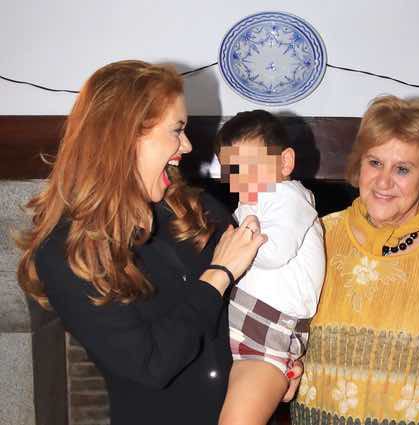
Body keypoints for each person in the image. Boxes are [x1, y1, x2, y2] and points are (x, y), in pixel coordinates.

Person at [14, 60, 281, 425]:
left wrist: (281, 361)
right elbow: (151, 364)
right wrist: (219, 274)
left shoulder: (196, 208)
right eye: (177, 130)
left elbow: (262, 300)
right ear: (125, 137)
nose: (186, 146)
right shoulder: (67, 253)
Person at [290, 95, 419, 425]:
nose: (384, 181)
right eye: (374, 163)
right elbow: (279, 332)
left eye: (402, 169)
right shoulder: (318, 237)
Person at [207, 110, 325, 425]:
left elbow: (274, 252)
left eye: (250, 167)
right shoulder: (252, 204)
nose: (240, 178)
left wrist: (228, 251)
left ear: (284, 163)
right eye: (233, 169)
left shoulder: (287, 197)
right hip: (249, 329)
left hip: (270, 337)